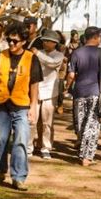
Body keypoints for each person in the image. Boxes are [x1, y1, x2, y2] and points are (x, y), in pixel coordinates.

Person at [0, 22, 43, 191]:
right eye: (9, 40)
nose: (11, 44)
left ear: (24, 41)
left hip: (22, 105)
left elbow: (34, 84)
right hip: (2, 104)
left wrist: (33, 106)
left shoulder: (31, 58)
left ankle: (18, 177)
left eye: (15, 41)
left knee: (21, 140)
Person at [65, 26, 101, 167]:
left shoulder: (77, 53)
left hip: (79, 92)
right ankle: (87, 156)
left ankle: (81, 148)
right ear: (96, 37)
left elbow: (71, 75)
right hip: (95, 91)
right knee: (92, 124)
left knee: (80, 122)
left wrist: (67, 87)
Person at [29, 30, 64, 159]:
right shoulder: (38, 53)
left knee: (47, 122)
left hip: (50, 92)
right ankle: (29, 147)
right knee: (32, 120)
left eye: (48, 41)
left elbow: (52, 63)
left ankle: (46, 147)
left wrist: (37, 53)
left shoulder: (58, 55)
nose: (45, 43)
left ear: (54, 43)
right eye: (44, 41)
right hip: (36, 90)